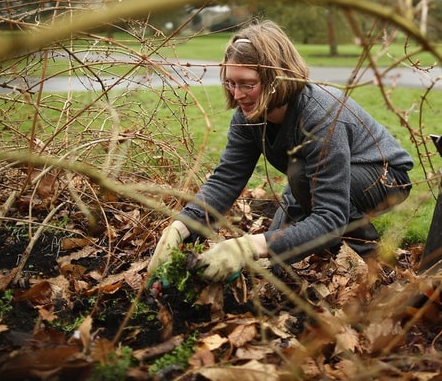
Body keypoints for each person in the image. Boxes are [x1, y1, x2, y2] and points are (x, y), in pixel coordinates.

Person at [147, 19, 413, 284]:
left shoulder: (320, 116)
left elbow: (331, 216)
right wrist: (181, 226)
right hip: (313, 177)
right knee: (270, 263)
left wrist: (245, 245)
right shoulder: (247, 117)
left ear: (277, 77)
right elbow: (226, 179)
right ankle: (333, 254)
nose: (237, 94)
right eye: (230, 83)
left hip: (386, 177)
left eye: (248, 84)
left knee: (304, 192)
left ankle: (378, 267)